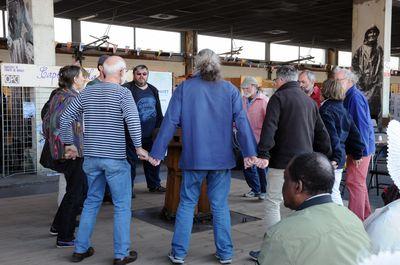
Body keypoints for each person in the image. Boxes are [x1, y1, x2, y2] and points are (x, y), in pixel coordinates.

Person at [148, 49, 257, 264]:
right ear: (218, 65)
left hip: (194, 158)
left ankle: (179, 253)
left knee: (187, 204)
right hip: (221, 160)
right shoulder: (230, 90)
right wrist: (249, 153)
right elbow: (242, 123)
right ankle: (225, 253)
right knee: (220, 206)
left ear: (197, 64)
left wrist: (157, 153)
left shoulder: (185, 88)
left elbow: (170, 120)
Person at [60, 56, 147, 264]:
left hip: (91, 159)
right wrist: (138, 147)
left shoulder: (87, 92)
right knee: (122, 205)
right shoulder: (123, 93)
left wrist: (68, 144)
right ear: (122, 71)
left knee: (91, 202)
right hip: (115, 159)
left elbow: (65, 118)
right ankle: (121, 254)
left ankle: (80, 250)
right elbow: (133, 122)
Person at [250, 65, 331, 260]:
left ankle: (272, 250)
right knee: (303, 205)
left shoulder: (278, 98)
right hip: (306, 163)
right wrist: (327, 155)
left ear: (281, 80)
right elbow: (322, 133)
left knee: (273, 203)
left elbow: (269, 128)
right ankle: (304, 248)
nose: (275, 84)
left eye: (276, 80)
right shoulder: (309, 101)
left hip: (282, 163)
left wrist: (264, 154)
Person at [257, 152, 372, 265]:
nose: (283, 185)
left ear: (298, 186)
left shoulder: (280, 235)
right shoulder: (352, 218)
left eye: (286, 179)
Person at [43, 65, 87, 247]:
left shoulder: (59, 95)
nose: (85, 79)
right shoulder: (71, 98)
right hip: (72, 152)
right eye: (83, 76)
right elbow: (62, 123)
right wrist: (70, 145)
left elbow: (47, 121)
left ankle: (57, 226)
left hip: (64, 151)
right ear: (75, 79)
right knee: (77, 193)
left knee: (74, 190)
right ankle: (65, 236)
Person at [334, 67, 375, 221]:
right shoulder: (349, 96)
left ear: (349, 81)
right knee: (358, 183)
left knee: (354, 183)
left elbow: (361, 126)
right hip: (359, 147)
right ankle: (365, 217)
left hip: (361, 148)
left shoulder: (355, 98)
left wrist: (360, 152)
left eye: (339, 81)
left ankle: (355, 222)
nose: (336, 84)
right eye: (335, 80)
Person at [319, 79, 365, 205]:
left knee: (330, 193)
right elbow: (354, 134)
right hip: (339, 156)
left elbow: (331, 137)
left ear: (325, 91)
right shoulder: (343, 110)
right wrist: (357, 153)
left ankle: (339, 221)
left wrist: (335, 158)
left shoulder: (325, 110)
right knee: (334, 190)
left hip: (331, 157)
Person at [123, 65, 166, 194]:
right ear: (133, 74)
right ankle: (128, 190)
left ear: (147, 75)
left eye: (144, 74)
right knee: (130, 163)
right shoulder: (126, 89)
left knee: (153, 160)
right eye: (139, 74)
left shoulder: (153, 90)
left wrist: (159, 130)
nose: (141, 76)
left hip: (151, 133)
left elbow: (158, 112)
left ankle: (154, 185)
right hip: (131, 134)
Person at [240, 76, 269, 200]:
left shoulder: (264, 101)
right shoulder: (243, 100)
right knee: (247, 166)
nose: (245, 90)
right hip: (246, 139)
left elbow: (269, 122)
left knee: (261, 167)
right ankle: (255, 188)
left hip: (260, 140)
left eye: (247, 87)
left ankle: (264, 190)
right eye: (243, 88)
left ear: (254, 86)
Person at [352, 25, 383, 119]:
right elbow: (355, 65)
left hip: (374, 86)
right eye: (370, 32)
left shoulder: (378, 49)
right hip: (362, 85)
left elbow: (380, 66)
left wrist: (377, 81)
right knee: (361, 109)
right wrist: (359, 79)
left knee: (374, 108)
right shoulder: (360, 50)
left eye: (375, 33)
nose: (372, 35)